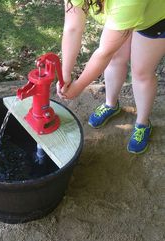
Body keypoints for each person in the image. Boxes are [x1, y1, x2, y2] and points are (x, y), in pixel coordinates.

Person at [57, 0, 165, 154]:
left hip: (154, 19)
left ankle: (143, 123)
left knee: (141, 72)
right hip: (125, 12)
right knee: (115, 58)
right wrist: (65, 73)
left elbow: (104, 51)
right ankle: (111, 104)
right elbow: (72, 28)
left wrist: (79, 86)